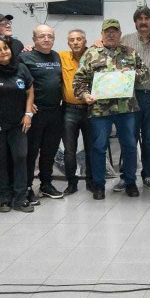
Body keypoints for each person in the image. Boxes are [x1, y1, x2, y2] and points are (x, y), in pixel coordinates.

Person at [74, 19, 149, 200]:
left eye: (114, 31)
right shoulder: (91, 54)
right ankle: (99, 185)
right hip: (100, 110)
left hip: (127, 109)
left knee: (130, 146)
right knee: (99, 148)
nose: (111, 34)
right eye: (107, 31)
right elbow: (78, 82)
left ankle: (130, 182)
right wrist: (85, 96)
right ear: (102, 34)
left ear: (120, 34)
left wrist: (130, 76)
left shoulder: (130, 53)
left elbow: (145, 73)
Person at [114, 6, 150, 192]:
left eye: (147, 18)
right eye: (140, 18)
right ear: (135, 22)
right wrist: (99, 42)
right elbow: (108, 49)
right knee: (128, 139)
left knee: (149, 140)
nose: (143, 21)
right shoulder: (125, 40)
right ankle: (126, 176)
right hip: (131, 97)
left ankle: (148, 176)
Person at [0, 36, 35, 214]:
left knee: (21, 157)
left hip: (18, 123)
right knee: (0, 160)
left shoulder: (20, 68)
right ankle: (5, 197)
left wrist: (28, 114)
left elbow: (30, 91)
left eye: (5, 48)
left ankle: (21, 197)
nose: (3, 52)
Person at [19, 25, 64, 203]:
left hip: (55, 111)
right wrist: (28, 104)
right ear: (34, 39)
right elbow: (18, 82)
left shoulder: (56, 56)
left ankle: (46, 184)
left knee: (49, 151)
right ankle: (28, 187)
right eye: (42, 36)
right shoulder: (24, 57)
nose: (46, 39)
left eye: (50, 36)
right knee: (31, 152)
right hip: (36, 113)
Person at [59, 29, 92, 194]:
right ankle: (71, 183)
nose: (76, 42)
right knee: (69, 151)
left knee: (91, 148)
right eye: (72, 40)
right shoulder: (61, 57)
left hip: (90, 110)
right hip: (69, 110)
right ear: (68, 43)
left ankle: (91, 181)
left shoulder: (94, 56)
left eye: (79, 39)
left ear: (85, 41)